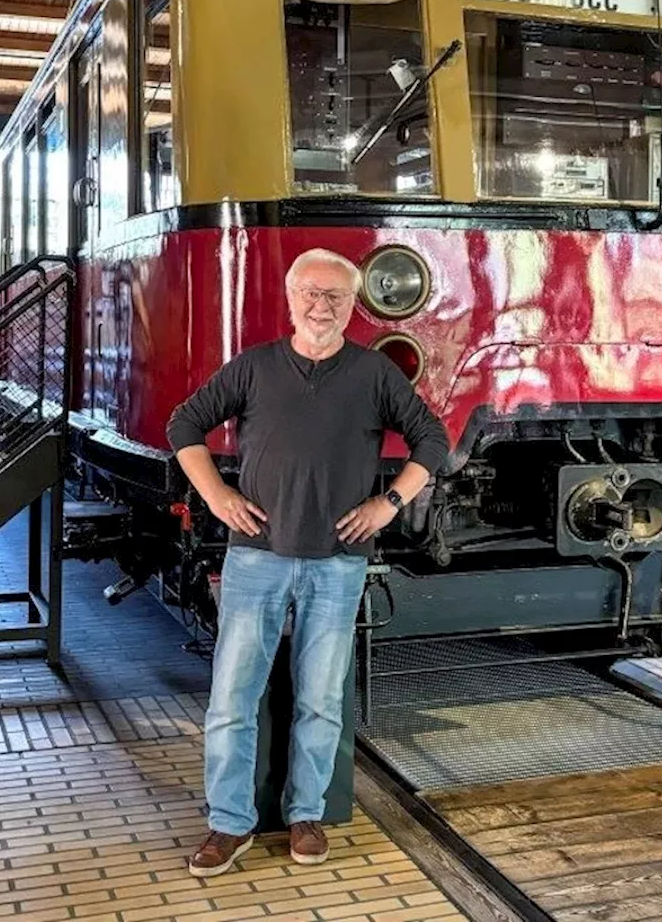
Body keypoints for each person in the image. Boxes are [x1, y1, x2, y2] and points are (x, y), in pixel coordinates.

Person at [167, 247, 449, 878]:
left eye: (336, 297)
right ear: (291, 298)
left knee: (321, 698)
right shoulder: (255, 367)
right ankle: (228, 824)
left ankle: (306, 814)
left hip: (338, 561)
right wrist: (217, 495)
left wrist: (390, 502)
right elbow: (184, 426)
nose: (321, 306)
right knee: (232, 699)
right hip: (256, 559)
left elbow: (433, 438)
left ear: (353, 305)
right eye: (311, 294)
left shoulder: (374, 374)